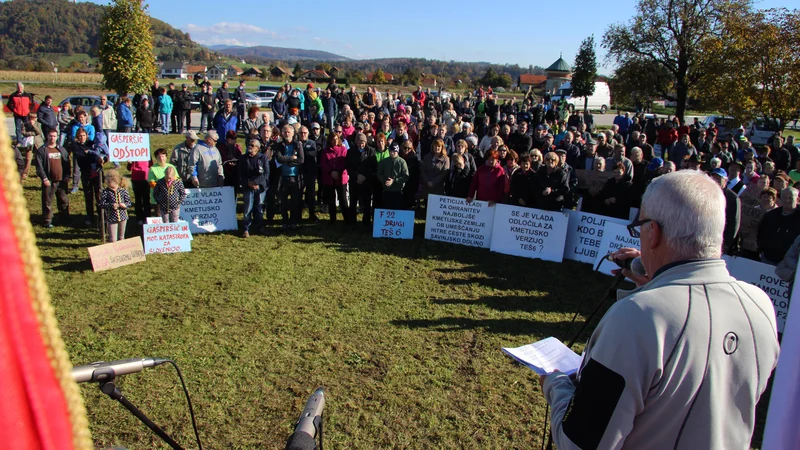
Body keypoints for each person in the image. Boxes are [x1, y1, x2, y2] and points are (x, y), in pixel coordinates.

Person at [542, 170, 779, 450]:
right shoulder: (760, 305)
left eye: (639, 227)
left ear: (652, 232)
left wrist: (556, 383)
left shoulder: (637, 316)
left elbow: (577, 443)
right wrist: (657, 277)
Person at [34, 129, 70, 228]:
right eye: (50, 136)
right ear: (47, 136)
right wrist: (44, 178)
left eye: (54, 136)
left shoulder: (61, 149)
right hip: (49, 181)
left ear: (57, 137)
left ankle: (64, 219)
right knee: (47, 201)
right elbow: (39, 166)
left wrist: (67, 175)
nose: (52, 138)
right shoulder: (42, 150)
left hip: (61, 180)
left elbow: (67, 163)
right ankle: (47, 220)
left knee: (63, 200)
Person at [757, 187, 800, 265]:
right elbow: (761, 232)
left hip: (791, 263)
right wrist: (762, 249)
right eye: (785, 197)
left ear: (797, 199)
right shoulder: (771, 215)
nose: (787, 200)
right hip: (768, 258)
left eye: (790, 198)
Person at [71, 128, 104, 227]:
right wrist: (93, 157)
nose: (82, 138)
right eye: (80, 136)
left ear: (87, 135)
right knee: (88, 196)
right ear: (77, 137)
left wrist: (102, 159)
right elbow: (81, 158)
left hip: (98, 172)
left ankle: (101, 216)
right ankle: (90, 217)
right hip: (86, 173)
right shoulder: (76, 146)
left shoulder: (92, 143)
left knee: (99, 195)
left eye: (84, 135)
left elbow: (101, 152)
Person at [274, 124, 304, 229]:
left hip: (295, 177)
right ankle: (285, 221)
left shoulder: (298, 144)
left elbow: (301, 160)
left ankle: (293, 222)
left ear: (293, 133)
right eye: (284, 132)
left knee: (295, 201)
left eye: (288, 132)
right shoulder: (279, 145)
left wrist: (287, 162)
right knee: (283, 201)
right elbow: (279, 158)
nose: (286, 134)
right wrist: (291, 158)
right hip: (283, 177)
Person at [238, 140, 269, 237]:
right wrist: (249, 183)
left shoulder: (263, 158)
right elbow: (240, 174)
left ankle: (259, 227)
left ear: (258, 148)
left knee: (259, 207)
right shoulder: (243, 158)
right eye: (248, 145)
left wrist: (256, 183)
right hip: (248, 187)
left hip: (260, 187)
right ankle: (246, 228)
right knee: (248, 208)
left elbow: (266, 173)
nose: (249, 147)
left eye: (252, 145)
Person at [346, 133, 378, 226]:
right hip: (354, 181)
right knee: (353, 203)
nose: (361, 144)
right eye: (359, 141)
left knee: (367, 203)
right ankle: (352, 222)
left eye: (363, 142)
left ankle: (366, 222)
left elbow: (373, 166)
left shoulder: (371, 151)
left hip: (367, 181)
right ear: (356, 142)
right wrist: (357, 175)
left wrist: (364, 176)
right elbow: (348, 166)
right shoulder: (350, 152)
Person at [709, 168, 741, 255]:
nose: (715, 180)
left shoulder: (733, 198)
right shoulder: (706, 193)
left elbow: (734, 223)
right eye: (713, 178)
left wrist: (727, 243)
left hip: (722, 241)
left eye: (718, 178)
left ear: (726, 180)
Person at [320, 132, 349, 223]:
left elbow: (345, 162)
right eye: (333, 139)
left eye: (337, 138)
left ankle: (346, 219)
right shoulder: (325, 151)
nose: (335, 140)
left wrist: (338, 171)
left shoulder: (343, 149)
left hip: (341, 178)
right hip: (329, 178)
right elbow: (323, 164)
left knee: (343, 199)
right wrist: (331, 172)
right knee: (331, 200)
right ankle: (333, 219)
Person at [97, 170, 131, 242]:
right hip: (112, 217)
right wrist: (111, 205)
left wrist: (124, 205)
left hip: (123, 217)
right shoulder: (105, 191)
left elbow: (129, 203)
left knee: (121, 237)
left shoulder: (123, 191)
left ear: (115, 181)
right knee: (113, 239)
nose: (107, 183)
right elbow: (102, 204)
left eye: (109, 181)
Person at [377, 142, 410, 210]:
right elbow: (379, 173)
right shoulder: (384, 161)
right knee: (386, 208)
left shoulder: (402, 162)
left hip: (398, 190)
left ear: (397, 152)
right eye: (391, 151)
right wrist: (384, 180)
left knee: (396, 209)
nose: (392, 153)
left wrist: (395, 181)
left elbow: (406, 176)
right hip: (386, 190)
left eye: (394, 151)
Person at [300, 125, 321, 221]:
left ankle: (312, 214)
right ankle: (297, 214)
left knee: (311, 194)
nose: (303, 134)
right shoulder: (296, 143)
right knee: (298, 194)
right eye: (301, 133)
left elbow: (313, 153)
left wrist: (301, 153)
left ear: (308, 133)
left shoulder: (312, 143)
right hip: (299, 172)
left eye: (305, 133)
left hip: (310, 172)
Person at [127, 156, 152, 224]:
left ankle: (147, 217)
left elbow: (151, 165)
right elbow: (129, 168)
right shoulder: (134, 154)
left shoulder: (147, 154)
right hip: (136, 179)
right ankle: (139, 218)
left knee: (146, 199)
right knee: (138, 199)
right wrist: (129, 163)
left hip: (146, 179)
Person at [19, 112, 44, 180]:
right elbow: (23, 132)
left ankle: (39, 173)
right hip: (29, 144)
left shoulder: (38, 124)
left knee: (38, 159)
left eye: (35, 118)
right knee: (28, 159)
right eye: (33, 118)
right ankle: (25, 173)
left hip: (38, 143)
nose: (34, 119)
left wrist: (34, 126)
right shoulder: (25, 124)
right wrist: (32, 133)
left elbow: (39, 132)